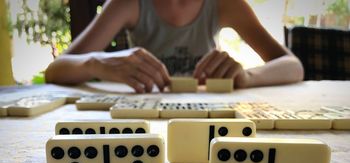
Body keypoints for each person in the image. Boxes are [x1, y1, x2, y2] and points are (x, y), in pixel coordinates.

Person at [45, 0, 304, 93]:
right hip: (144, 122)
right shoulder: (128, 3)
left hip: (205, 120)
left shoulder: (226, 3)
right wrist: (97, 62)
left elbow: (293, 67)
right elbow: (56, 70)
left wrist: (247, 77)